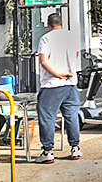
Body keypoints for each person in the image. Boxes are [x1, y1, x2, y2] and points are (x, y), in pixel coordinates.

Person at [36, 12, 81, 163]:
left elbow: (43, 61)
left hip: (52, 85)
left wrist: (58, 74)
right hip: (71, 83)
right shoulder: (71, 36)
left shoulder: (46, 38)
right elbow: (75, 55)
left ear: (48, 26)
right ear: (61, 23)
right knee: (71, 117)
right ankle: (75, 148)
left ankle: (48, 151)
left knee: (48, 118)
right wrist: (67, 73)